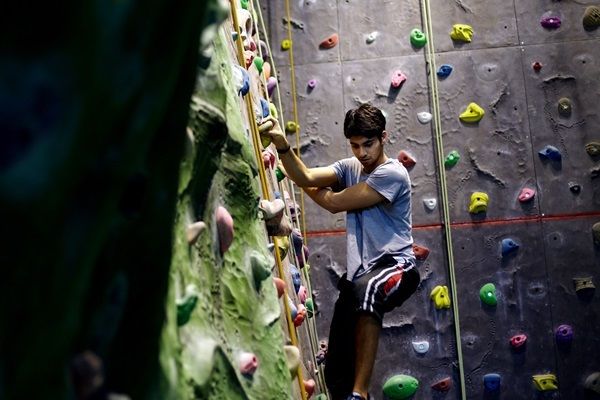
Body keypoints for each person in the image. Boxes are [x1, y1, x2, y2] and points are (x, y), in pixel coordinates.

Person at [260, 103, 420, 400]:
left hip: (397, 266)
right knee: (336, 368)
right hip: (361, 276)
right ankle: (347, 392)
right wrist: (283, 147)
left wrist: (293, 175)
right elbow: (307, 176)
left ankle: (359, 393)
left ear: (384, 137)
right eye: (355, 145)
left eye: (368, 144)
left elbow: (333, 202)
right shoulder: (349, 167)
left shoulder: (392, 174)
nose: (362, 153)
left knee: (366, 290)